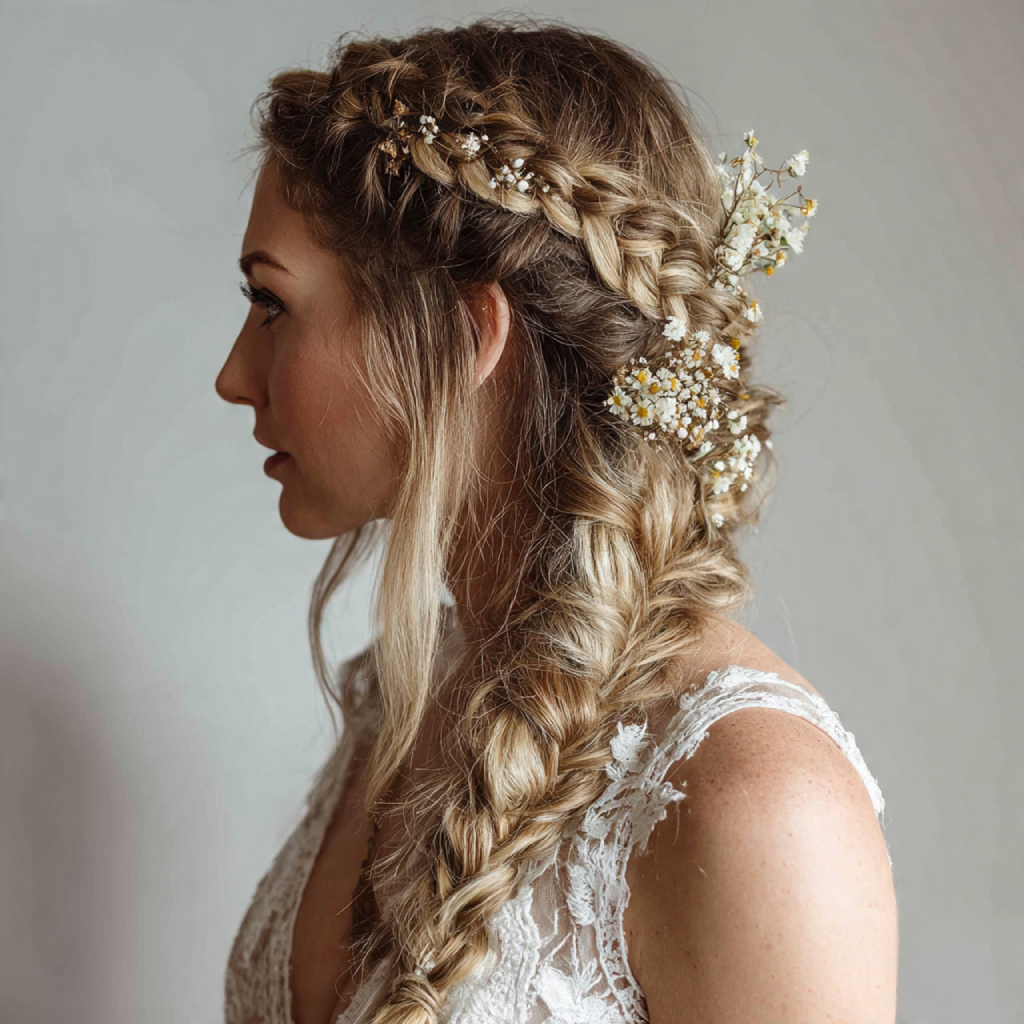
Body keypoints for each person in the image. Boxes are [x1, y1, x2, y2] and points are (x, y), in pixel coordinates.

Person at [214, 17, 898, 1024]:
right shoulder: (410, 694)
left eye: (271, 304)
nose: (233, 375)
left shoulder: (752, 802)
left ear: (461, 334)